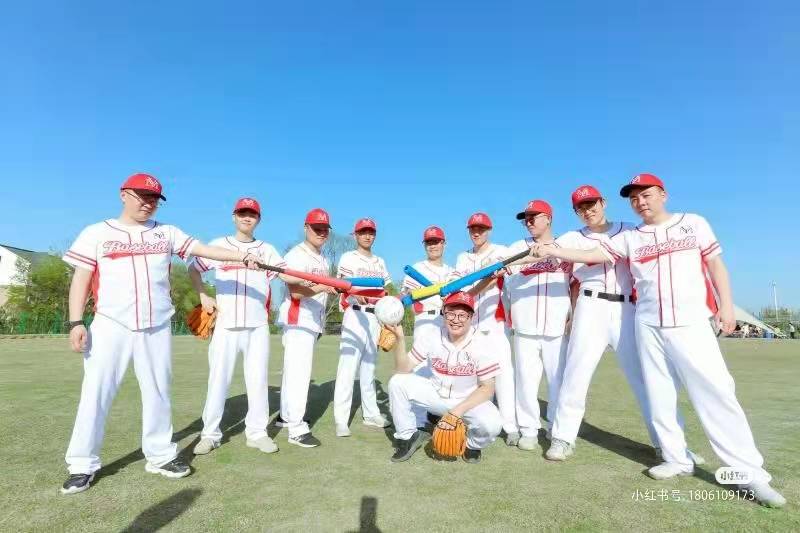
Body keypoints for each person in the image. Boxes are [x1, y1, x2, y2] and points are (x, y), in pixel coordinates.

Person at [528, 173, 786, 508]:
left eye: (646, 195)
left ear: (662, 194)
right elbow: (591, 254)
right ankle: (673, 457)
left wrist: (726, 305)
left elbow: (715, 264)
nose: (640, 202)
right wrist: (548, 249)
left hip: (680, 318)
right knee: (654, 390)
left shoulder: (690, 223)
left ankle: (747, 473)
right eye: (634, 198)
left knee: (715, 391)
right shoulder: (629, 236)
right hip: (642, 320)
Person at [61, 173, 263, 494]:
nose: (148, 203)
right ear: (123, 194)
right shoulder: (96, 232)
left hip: (156, 324)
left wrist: (242, 256)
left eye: (154, 199)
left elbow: (204, 249)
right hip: (110, 323)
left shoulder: (166, 232)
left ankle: (160, 455)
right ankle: (82, 464)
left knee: (158, 393)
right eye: (142, 196)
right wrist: (75, 322)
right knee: (95, 394)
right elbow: (81, 279)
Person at [543, 187, 657, 460]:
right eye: (581, 208)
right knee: (576, 374)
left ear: (603, 202)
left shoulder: (629, 230)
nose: (588, 211)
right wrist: (533, 252)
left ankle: (668, 444)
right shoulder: (572, 237)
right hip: (590, 305)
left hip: (626, 308)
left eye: (591, 204)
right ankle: (562, 437)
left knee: (644, 378)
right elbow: (545, 253)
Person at [189, 197, 300, 456]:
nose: (247, 217)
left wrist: (317, 282)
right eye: (242, 213)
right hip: (225, 325)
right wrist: (203, 295)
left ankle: (257, 433)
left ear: (258, 219)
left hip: (257, 326)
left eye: (252, 214)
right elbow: (194, 269)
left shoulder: (267, 250)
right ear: (234, 216)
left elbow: (286, 276)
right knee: (218, 382)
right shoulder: (219, 245)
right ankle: (210, 434)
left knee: (258, 381)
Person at [386, 291, 503, 463]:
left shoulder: (482, 343)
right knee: (397, 382)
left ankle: (472, 445)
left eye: (462, 315)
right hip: (435, 395)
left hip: (467, 400)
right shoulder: (432, 335)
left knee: (492, 424)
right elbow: (403, 369)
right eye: (451, 313)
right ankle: (407, 436)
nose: (456, 319)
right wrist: (400, 340)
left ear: (471, 317)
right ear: (443, 313)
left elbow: (487, 388)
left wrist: (456, 413)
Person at [504, 200, 571, 451]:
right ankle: (529, 429)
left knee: (559, 381)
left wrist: (573, 314)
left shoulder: (565, 247)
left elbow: (575, 283)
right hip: (525, 327)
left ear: (549, 218)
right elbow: (504, 278)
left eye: (534, 216)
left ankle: (556, 427)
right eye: (526, 218)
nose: (529, 221)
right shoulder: (515, 248)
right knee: (526, 382)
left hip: (557, 326)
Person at [454, 213, 519, 445]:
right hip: (469, 326)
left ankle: (510, 426)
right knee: (470, 378)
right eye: (473, 228)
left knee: (503, 376)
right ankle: (471, 421)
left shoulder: (501, 251)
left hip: (494, 323)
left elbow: (507, 276)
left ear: (489, 230)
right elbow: (459, 290)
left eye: (481, 228)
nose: (477, 232)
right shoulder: (462, 258)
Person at [275, 208, 338, 448]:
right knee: (299, 374)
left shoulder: (322, 259)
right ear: (306, 228)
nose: (321, 232)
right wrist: (323, 287)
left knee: (292, 372)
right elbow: (296, 292)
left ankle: (285, 417)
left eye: (324, 229)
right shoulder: (296, 254)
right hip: (298, 318)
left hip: (312, 320)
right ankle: (297, 429)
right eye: (316, 228)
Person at [333, 218, 393, 436]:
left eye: (370, 232)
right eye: (363, 232)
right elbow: (341, 285)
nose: (367, 236)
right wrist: (355, 294)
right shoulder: (348, 257)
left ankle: (371, 414)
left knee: (369, 368)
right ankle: (341, 420)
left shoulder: (379, 262)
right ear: (355, 235)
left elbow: (386, 290)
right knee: (347, 368)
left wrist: (388, 314)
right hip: (355, 315)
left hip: (375, 317)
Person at [400, 226, 455, 343]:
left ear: (444, 244)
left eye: (436, 242)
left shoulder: (452, 272)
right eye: (429, 243)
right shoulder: (417, 269)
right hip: (425, 321)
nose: (433, 246)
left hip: (449, 321)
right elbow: (406, 296)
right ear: (425, 246)